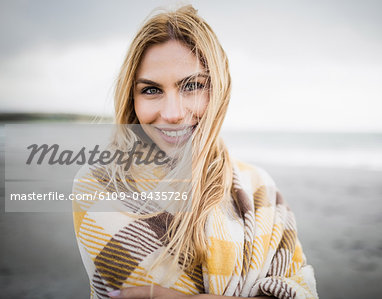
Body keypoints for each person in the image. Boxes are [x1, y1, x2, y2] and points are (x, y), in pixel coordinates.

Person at [72, 5, 318, 299]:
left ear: (219, 91)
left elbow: (301, 289)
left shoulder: (259, 188)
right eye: (151, 90)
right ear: (131, 98)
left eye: (192, 86)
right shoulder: (99, 184)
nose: (173, 113)